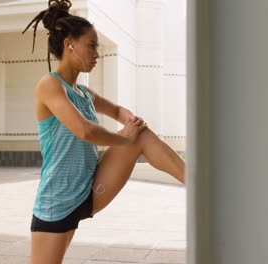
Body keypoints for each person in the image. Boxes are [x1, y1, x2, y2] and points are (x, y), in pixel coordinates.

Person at [22, 1, 185, 263]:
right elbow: (84, 130)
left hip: (89, 187)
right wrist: (123, 137)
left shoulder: (83, 93)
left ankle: (196, 183)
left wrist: (132, 121)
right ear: (69, 45)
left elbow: (118, 110)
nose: (96, 53)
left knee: (140, 135)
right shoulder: (49, 85)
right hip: (58, 201)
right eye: (91, 45)